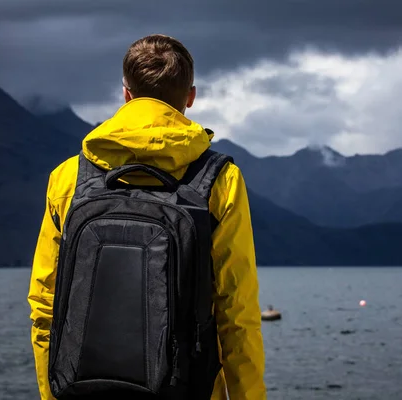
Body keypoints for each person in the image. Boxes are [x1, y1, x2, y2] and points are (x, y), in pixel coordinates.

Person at [28, 34, 266, 400]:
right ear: (190, 97)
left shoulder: (68, 179)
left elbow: (45, 307)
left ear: (126, 94)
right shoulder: (219, 180)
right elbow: (237, 313)